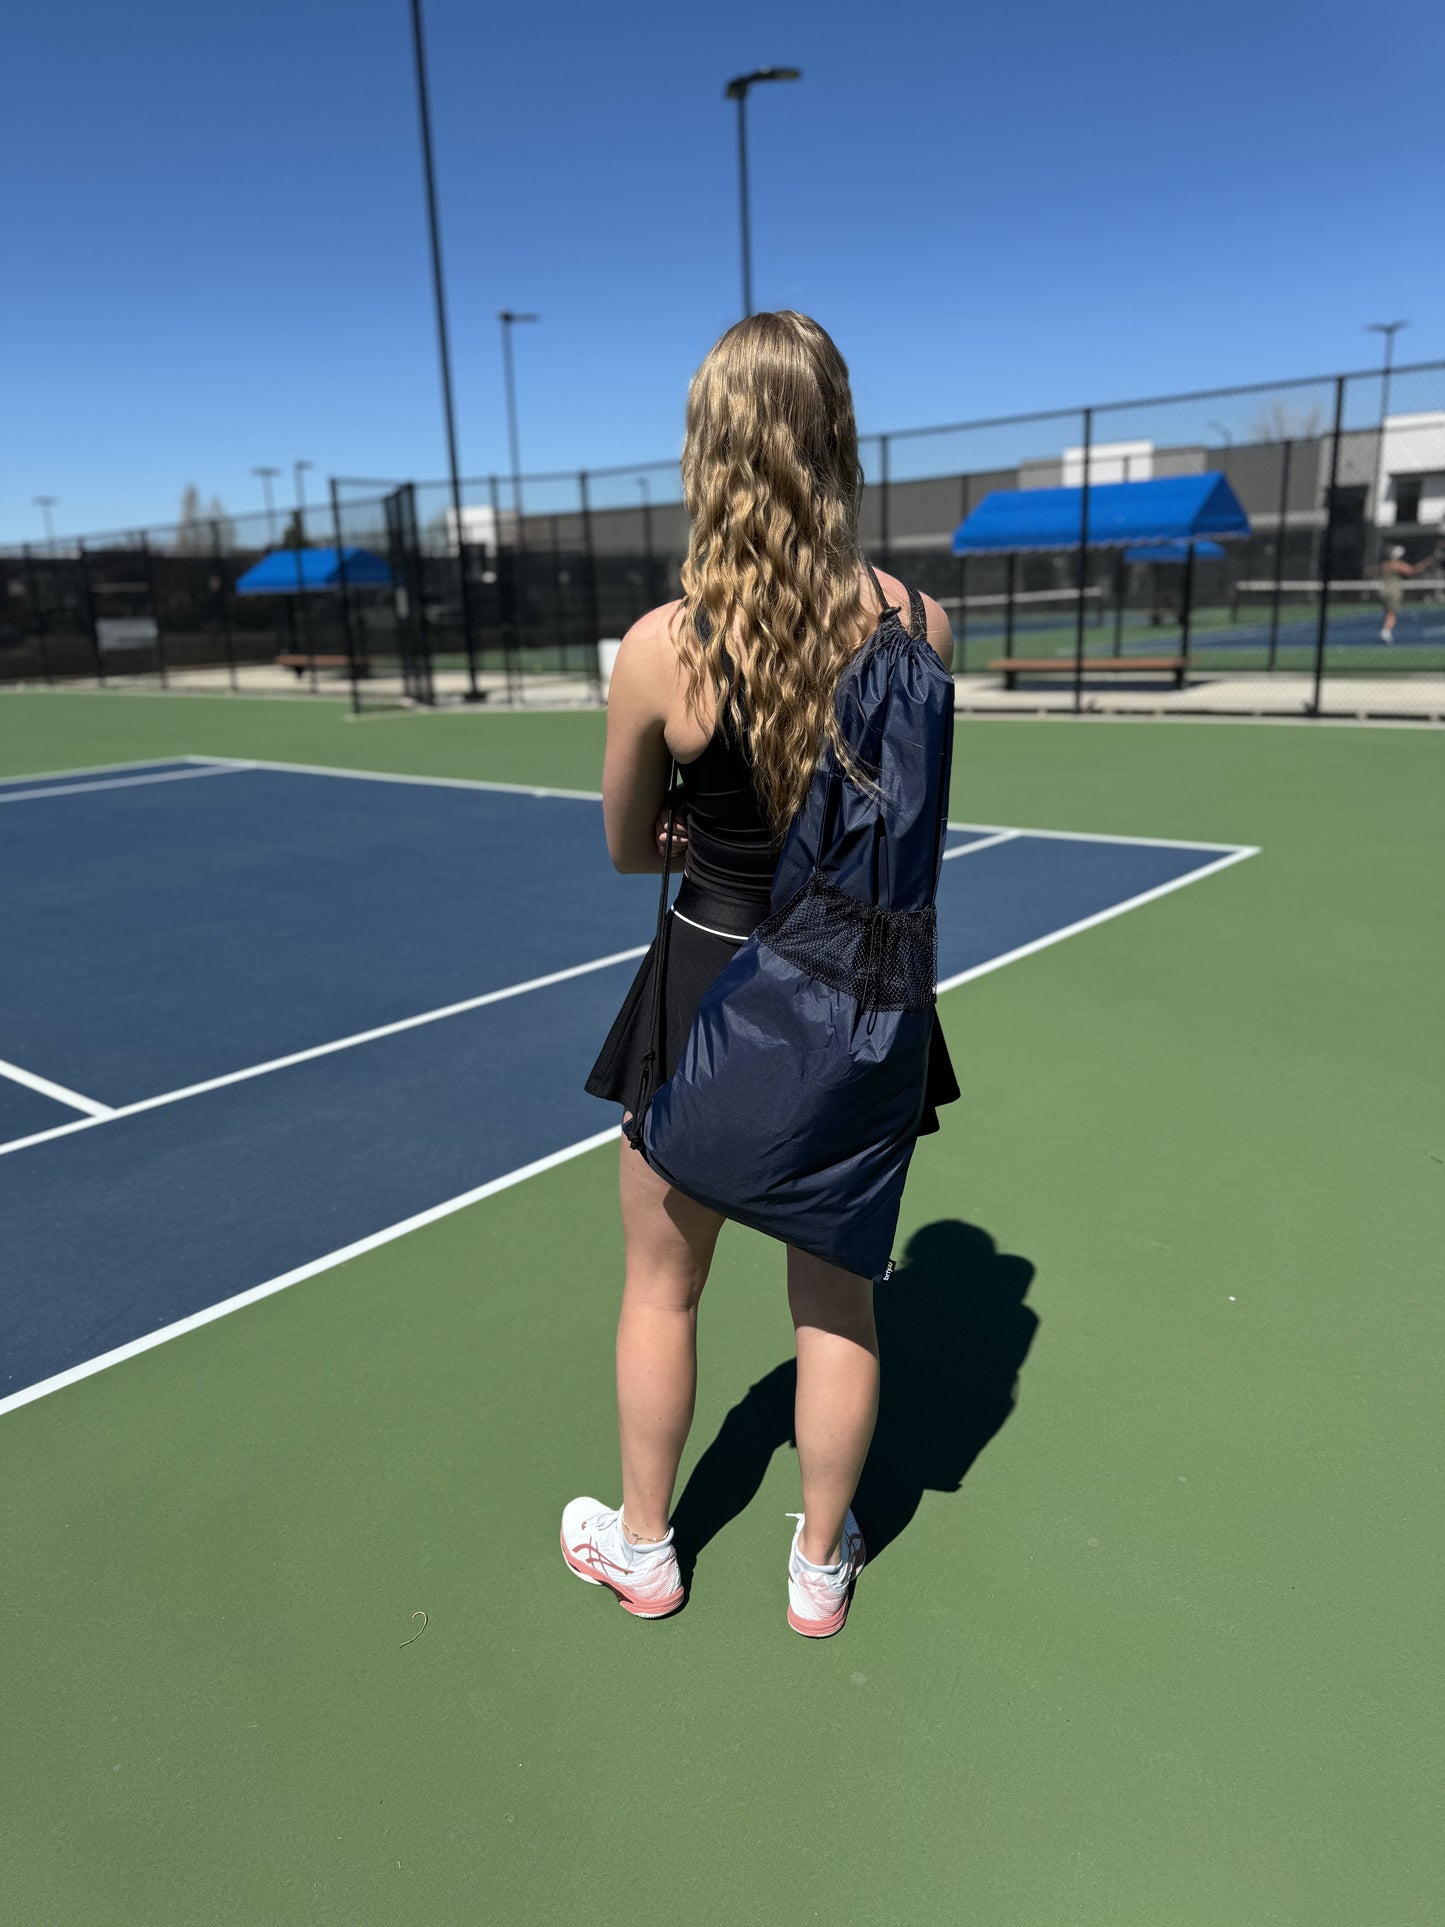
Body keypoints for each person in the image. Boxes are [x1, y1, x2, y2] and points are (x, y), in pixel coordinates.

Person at [562, 312, 958, 1638]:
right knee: (837, 1299)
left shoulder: (662, 648)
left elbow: (628, 847)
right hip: (860, 1002)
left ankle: (646, 1547)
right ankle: (818, 1565)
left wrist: (682, 825)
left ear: (709, 449)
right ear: (835, 435)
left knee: (661, 1284)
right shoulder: (919, 621)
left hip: (708, 983)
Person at [1376, 543, 1435, 642]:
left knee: (1388, 612)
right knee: (1392, 613)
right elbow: (1412, 570)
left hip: (1383, 590)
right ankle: (1386, 632)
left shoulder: (1384, 564)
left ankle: (1386, 629)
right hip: (1393, 590)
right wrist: (1425, 563)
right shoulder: (1397, 564)